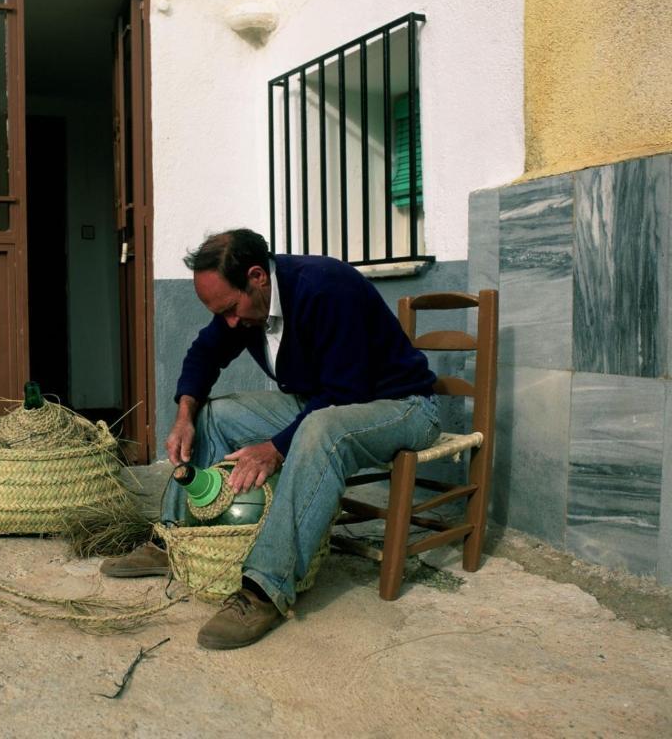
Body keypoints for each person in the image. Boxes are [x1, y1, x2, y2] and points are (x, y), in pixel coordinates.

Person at [101, 228, 440, 649]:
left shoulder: (327, 287)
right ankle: (173, 538)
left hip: (402, 406)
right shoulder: (241, 306)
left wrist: (276, 448)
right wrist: (184, 416)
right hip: (322, 401)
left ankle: (265, 588)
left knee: (320, 429)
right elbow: (204, 354)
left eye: (229, 309)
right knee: (216, 414)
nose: (228, 322)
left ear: (258, 276)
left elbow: (346, 393)